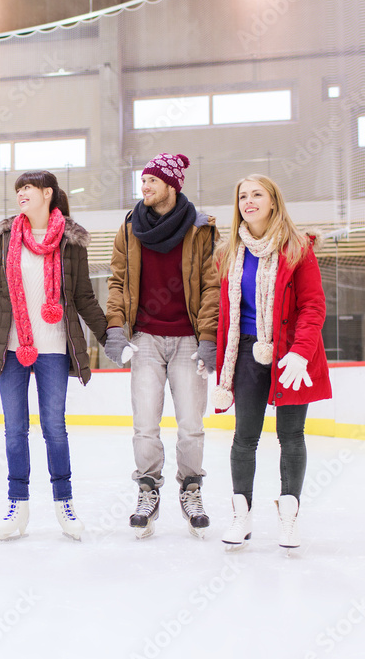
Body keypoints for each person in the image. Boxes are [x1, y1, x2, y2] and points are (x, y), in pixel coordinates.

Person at [0, 170, 107, 542]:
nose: (21, 194)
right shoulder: (6, 238)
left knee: (54, 429)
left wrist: (112, 336)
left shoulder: (71, 242)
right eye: (18, 189)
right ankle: (17, 505)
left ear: (47, 193)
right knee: (15, 431)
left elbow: (85, 298)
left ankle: (64, 503)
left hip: (55, 349)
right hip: (10, 349)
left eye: (28, 188)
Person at [103, 153, 220, 539]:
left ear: (172, 185)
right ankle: (148, 490)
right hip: (146, 339)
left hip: (188, 338)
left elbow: (211, 288)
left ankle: (191, 489)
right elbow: (118, 282)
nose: (145, 187)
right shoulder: (129, 228)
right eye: (143, 181)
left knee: (190, 424)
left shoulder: (201, 230)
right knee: (145, 425)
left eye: (152, 181)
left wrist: (208, 340)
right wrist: (116, 329)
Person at [212, 174, 332, 549]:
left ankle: (288, 519)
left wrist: (300, 351)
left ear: (273, 201)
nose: (249, 201)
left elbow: (313, 306)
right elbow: (225, 313)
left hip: (291, 353)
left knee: (291, 436)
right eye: (242, 196)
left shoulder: (297, 248)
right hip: (247, 353)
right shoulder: (231, 252)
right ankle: (241, 517)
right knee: (244, 438)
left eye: (257, 194)